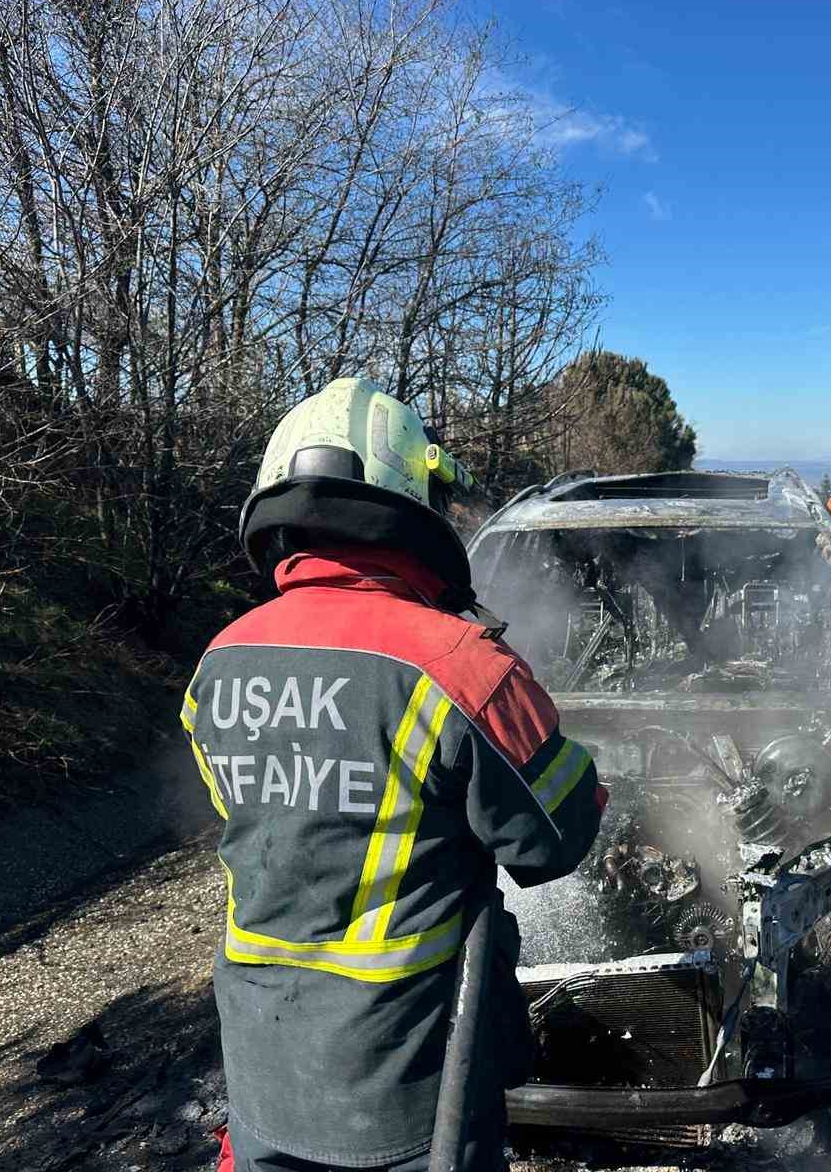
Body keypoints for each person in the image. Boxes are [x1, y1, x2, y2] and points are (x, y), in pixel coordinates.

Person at [182, 379, 605, 1172]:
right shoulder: (460, 664)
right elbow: (558, 838)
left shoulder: (219, 658)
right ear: (413, 497)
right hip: (412, 1093)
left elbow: (262, 813)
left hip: (264, 1071)